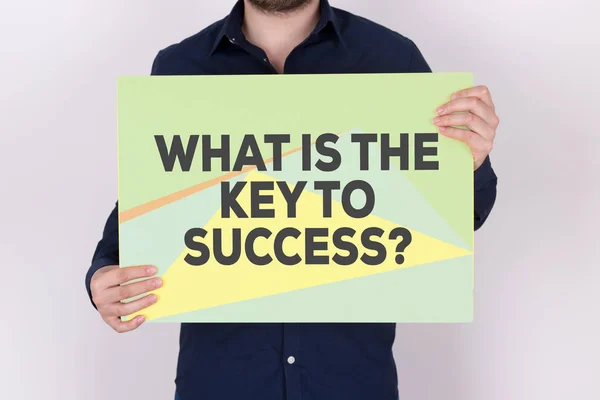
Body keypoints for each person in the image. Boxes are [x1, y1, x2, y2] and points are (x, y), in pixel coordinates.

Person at [85, 1, 499, 399]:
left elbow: (458, 216)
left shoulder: (392, 57)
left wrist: (471, 162)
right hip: (219, 385)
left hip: (351, 385)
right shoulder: (180, 67)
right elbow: (152, 201)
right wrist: (104, 273)